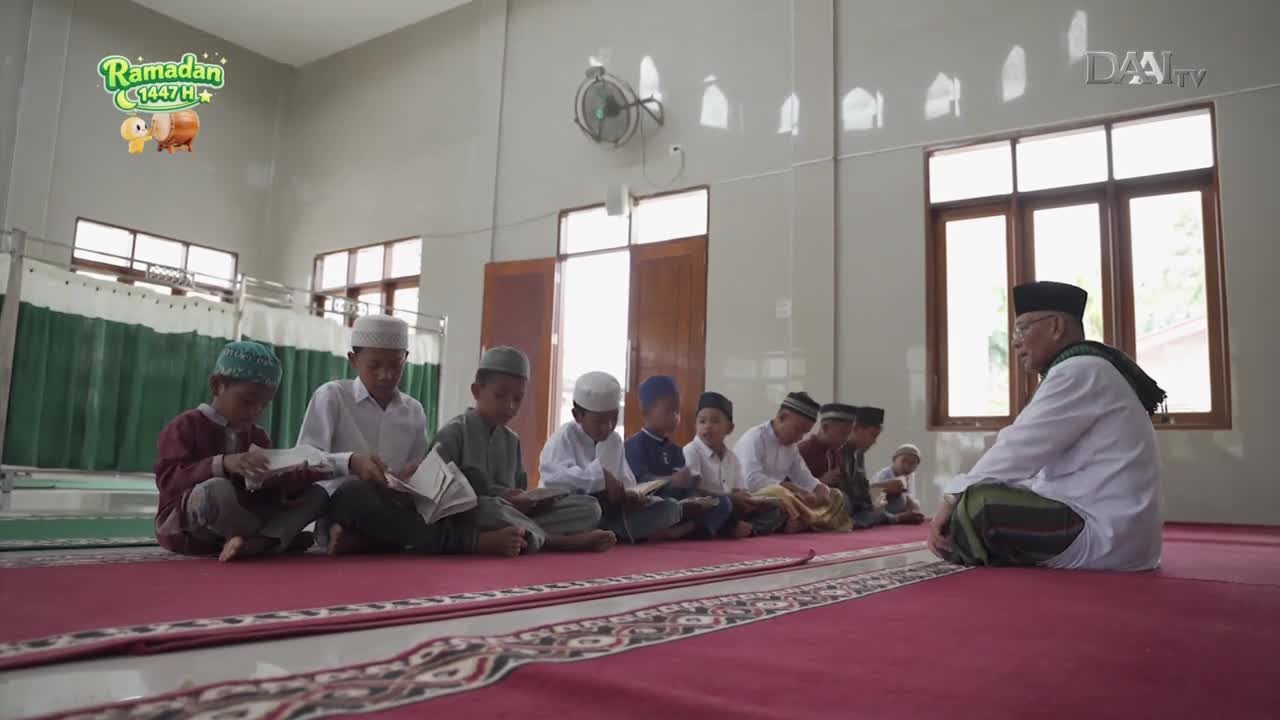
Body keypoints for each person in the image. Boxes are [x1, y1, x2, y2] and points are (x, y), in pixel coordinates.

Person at [929, 281, 1165, 571]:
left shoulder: (1079, 370)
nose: (1015, 342)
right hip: (1120, 534)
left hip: (1103, 532)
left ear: (1055, 326)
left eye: (1021, 329)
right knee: (986, 496)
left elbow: (1018, 450)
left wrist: (953, 497)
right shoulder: (1090, 368)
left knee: (978, 505)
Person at [299, 314, 526, 557]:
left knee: (470, 478)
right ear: (354, 360)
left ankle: (367, 541)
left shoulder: (413, 410)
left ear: (406, 359)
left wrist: (411, 477)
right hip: (348, 501)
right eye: (374, 365)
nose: (385, 375)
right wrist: (351, 461)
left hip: (398, 502)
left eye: (395, 365)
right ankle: (470, 542)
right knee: (356, 492)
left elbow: (421, 474)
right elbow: (306, 458)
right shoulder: (332, 396)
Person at [154, 341, 329, 561]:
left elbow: (263, 494)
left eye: (264, 405)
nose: (255, 411)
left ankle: (257, 542)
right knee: (217, 490)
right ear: (217, 385)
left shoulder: (257, 436)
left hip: (246, 517)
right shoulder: (185, 426)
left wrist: (292, 483)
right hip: (193, 529)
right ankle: (272, 540)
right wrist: (224, 463)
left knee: (318, 494)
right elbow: (168, 480)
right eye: (247, 401)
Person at [434, 346, 615, 553]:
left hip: (510, 515)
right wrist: (501, 497)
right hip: (473, 516)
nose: (509, 406)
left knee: (589, 507)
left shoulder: (512, 440)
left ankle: (527, 533)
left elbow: (519, 492)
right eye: (500, 396)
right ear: (477, 391)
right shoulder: (454, 433)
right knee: (488, 507)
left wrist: (533, 502)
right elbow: (437, 498)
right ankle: (553, 540)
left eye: (517, 399)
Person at [540, 371, 686, 543]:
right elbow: (554, 479)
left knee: (670, 507)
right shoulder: (564, 437)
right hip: (573, 509)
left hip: (609, 512)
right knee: (590, 509)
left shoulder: (614, 440)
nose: (608, 427)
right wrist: (601, 477)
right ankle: (601, 533)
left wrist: (634, 496)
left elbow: (627, 482)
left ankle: (608, 532)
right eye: (599, 421)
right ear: (577, 416)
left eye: (613, 419)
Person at [625, 376, 733, 539]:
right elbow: (639, 482)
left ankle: (680, 531)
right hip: (653, 503)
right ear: (645, 411)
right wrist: (671, 481)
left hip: (679, 503)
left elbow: (685, 484)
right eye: (669, 410)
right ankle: (682, 530)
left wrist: (696, 487)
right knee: (667, 507)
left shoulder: (676, 450)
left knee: (722, 502)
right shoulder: (634, 445)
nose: (675, 416)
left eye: (677, 411)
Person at [734, 392, 851, 532]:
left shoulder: (791, 447)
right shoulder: (754, 438)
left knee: (836, 496)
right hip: (754, 500)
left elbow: (804, 477)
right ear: (781, 417)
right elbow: (751, 480)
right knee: (778, 496)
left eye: (804, 433)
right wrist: (790, 488)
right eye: (798, 430)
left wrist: (819, 489)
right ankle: (799, 521)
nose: (800, 437)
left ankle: (802, 520)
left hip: (786, 499)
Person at [682, 391, 784, 537]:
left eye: (715, 421)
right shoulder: (691, 451)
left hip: (730, 507)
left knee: (774, 507)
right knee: (723, 503)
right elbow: (692, 492)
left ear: (730, 428)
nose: (708, 426)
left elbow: (739, 490)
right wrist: (730, 497)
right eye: (702, 421)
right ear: (695, 425)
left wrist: (748, 501)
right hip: (707, 508)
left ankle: (748, 529)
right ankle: (729, 529)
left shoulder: (732, 458)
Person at [835, 406, 924, 528]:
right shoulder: (838, 450)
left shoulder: (859, 454)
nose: (874, 441)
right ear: (855, 429)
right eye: (872, 435)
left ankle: (887, 517)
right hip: (843, 505)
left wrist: (886, 492)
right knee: (846, 502)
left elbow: (863, 491)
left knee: (896, 501)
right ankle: (894, 518)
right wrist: (884, 487)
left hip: (861, 506)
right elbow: (846, 492)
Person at [797, 403, 857, 487]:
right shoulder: (802, 451)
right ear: (825, 427)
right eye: (843, 434)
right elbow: (784, 490)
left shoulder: (836, 452)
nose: (846, 439)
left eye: (848, 435)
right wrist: (820, 482)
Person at [872, 443, 923, 516]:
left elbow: (909, 497)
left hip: (900, 513)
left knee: (915, 504)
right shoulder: (884, 475)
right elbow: (876, 502)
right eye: (904, 461)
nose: (907, 466)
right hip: (884, 514)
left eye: (913, 463)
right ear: (894, 460)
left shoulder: (910, 476)